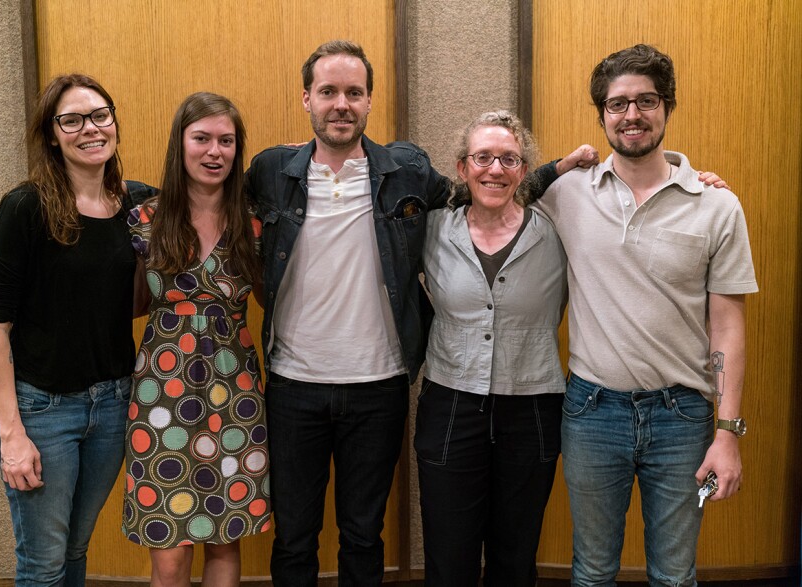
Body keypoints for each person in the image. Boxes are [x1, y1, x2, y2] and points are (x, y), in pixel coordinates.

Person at [244, 39, 592, 586]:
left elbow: (480, 190)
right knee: (293, 537)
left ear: (369, 101)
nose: (341, 103)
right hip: (292, 384)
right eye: (328, 91)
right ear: (305, 98)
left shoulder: (403, 173)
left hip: (379, 383)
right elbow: (209, 198)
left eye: (354, 92)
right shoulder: (272, 170)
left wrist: (557, 168)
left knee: (363, 534)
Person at [535, 44, 758, 586]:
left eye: (646, 101)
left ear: (668, 107)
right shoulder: (567, 194)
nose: (631, 115)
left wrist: (727, 432)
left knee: (676, 575)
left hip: (682, 418)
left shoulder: (716, 204)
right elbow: (494, 196)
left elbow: (727, 324)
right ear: (602, 115)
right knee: (591, 572)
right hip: (591, 413)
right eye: (617, 105)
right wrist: (562, 163)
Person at [0, 73, 154, 586]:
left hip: (112, 403)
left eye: (101, 115)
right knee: (43, 563)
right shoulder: (24, 208)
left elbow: (209, 184)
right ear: (52, 134)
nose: (91, 129)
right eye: (72, 120)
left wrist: (293, 161)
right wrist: (12, 433)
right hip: (41, 412)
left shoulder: (136, 205)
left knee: (75, 550)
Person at [122, 92, 270, 587]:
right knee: (169, 545)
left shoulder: (255, 221)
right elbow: (131, 303)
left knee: (225, 533)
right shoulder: (144, 218)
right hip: (161, 391)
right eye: (202, 138)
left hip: (235, 387)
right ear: (180, 144)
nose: (214, 152)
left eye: (226, 141)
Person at [416, 110, 568, 586]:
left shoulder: (558, 230)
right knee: (449, 552)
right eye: (482, 157)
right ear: (462, 168)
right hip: (450, 406)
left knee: (515, 552)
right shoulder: (432, 228)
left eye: (509, 159)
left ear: (524, 171)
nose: (495, 169)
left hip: (533, 407)